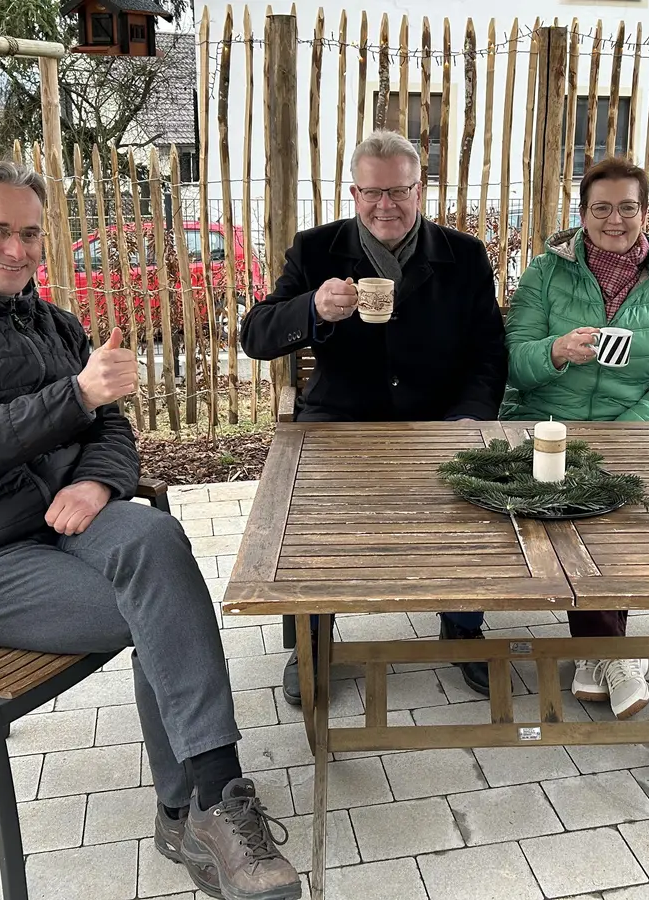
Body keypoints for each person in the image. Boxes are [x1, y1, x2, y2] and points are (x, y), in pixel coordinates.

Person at [0, 161, 301, 900]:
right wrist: (74, 395)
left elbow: (111, 428)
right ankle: (201, 806)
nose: (17, 249)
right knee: (161, 603)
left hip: (59, 527)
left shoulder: (51, 321)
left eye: (30, 233)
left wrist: (98, 481)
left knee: (153, 542)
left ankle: (201, 804)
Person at [242, 130, 507, 706]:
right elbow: (255, 336)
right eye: (372, 192)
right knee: (309, 511)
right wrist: (310, 308)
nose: (385, 205)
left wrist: (470, 416)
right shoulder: (316, 250)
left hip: (438, 416)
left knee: (470, 499)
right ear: (354, 192)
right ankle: (310, 640)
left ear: (420, 189)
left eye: (399, 191)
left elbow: (489, 349)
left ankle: (463, 626)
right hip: (340, 416)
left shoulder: (464, 255)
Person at [502, 156, 649, 719]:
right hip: (550, 427)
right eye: (600, 208)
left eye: (626, 207)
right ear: (583, 213)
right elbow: (513, 363)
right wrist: (555, 351)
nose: (613, 220)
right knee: (575, 508)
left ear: (645, 212)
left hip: (636, 428)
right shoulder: (546, 273)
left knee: (621, 512)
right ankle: (616, 654)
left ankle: (595, 654)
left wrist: (631, 432)